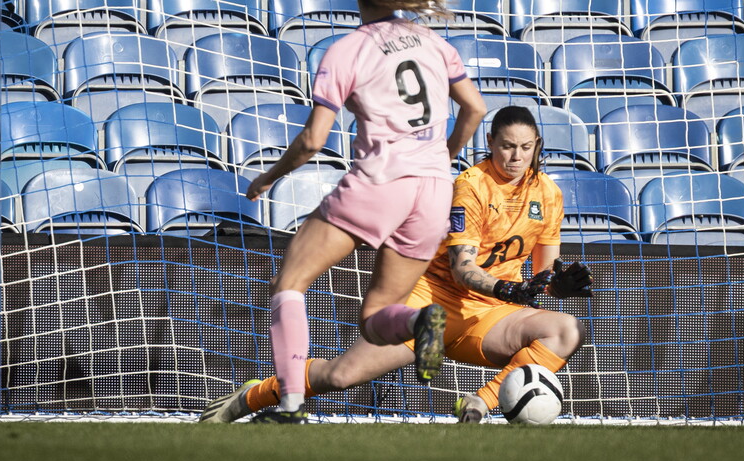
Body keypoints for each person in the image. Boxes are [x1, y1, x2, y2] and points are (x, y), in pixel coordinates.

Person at [202, 105, 593, 424]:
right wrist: (507, 288)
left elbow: (545, 276)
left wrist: (559, 286)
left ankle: (478, 404)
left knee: (566, 329)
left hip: (492, 316)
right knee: (342, 376)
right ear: (490, 142)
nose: (516, 156)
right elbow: (463, 269)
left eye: (525, 147)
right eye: (507, 146)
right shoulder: (471, 185)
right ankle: (252, 396)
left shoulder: (549, 193)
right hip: (432, 304)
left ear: (537, 145)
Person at [234, 0, 487, 423]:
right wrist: (444, 155)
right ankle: (418, 320)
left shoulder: (346, 50)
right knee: (376, 317)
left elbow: (313, 140)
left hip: (380, 182)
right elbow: (474, 108)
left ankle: (289, 404)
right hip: (433, 190)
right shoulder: (430, 40)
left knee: (290, 283)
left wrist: (268, 176)